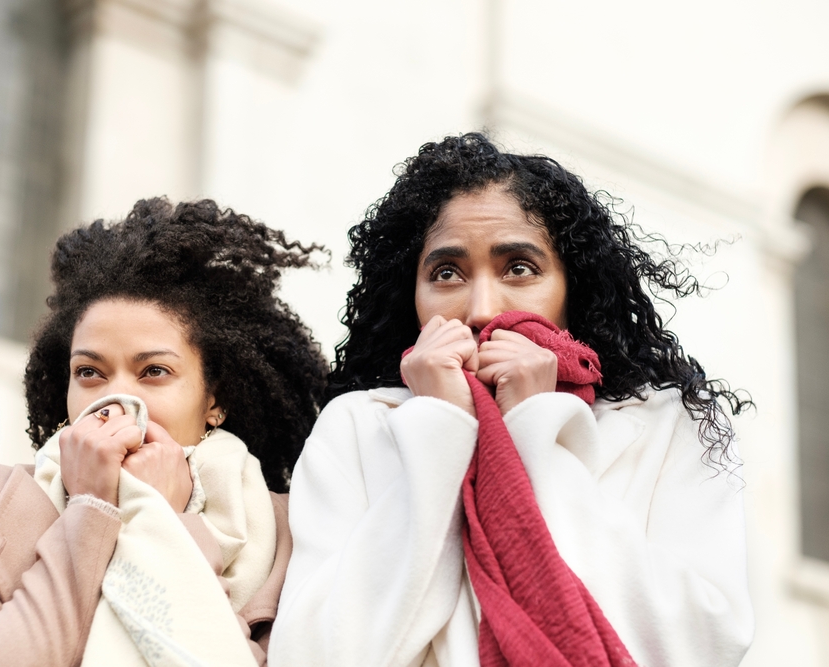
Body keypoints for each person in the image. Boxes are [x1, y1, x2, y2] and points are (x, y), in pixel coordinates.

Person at [267, 133, 754, 667]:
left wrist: (534, 427)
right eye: (446, 273)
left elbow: (703, 641)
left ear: (575, 287)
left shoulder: (664, 426)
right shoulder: (357, 427)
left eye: (519, 268)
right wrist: (442, 426)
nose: (479, 309)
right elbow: (315, 653)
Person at [0, 197, 328, 667]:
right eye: (89, 372)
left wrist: (167, 524)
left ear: (214, 399)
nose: (115, 400)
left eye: (153, 371)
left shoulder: (288, 532)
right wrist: (91, 510)